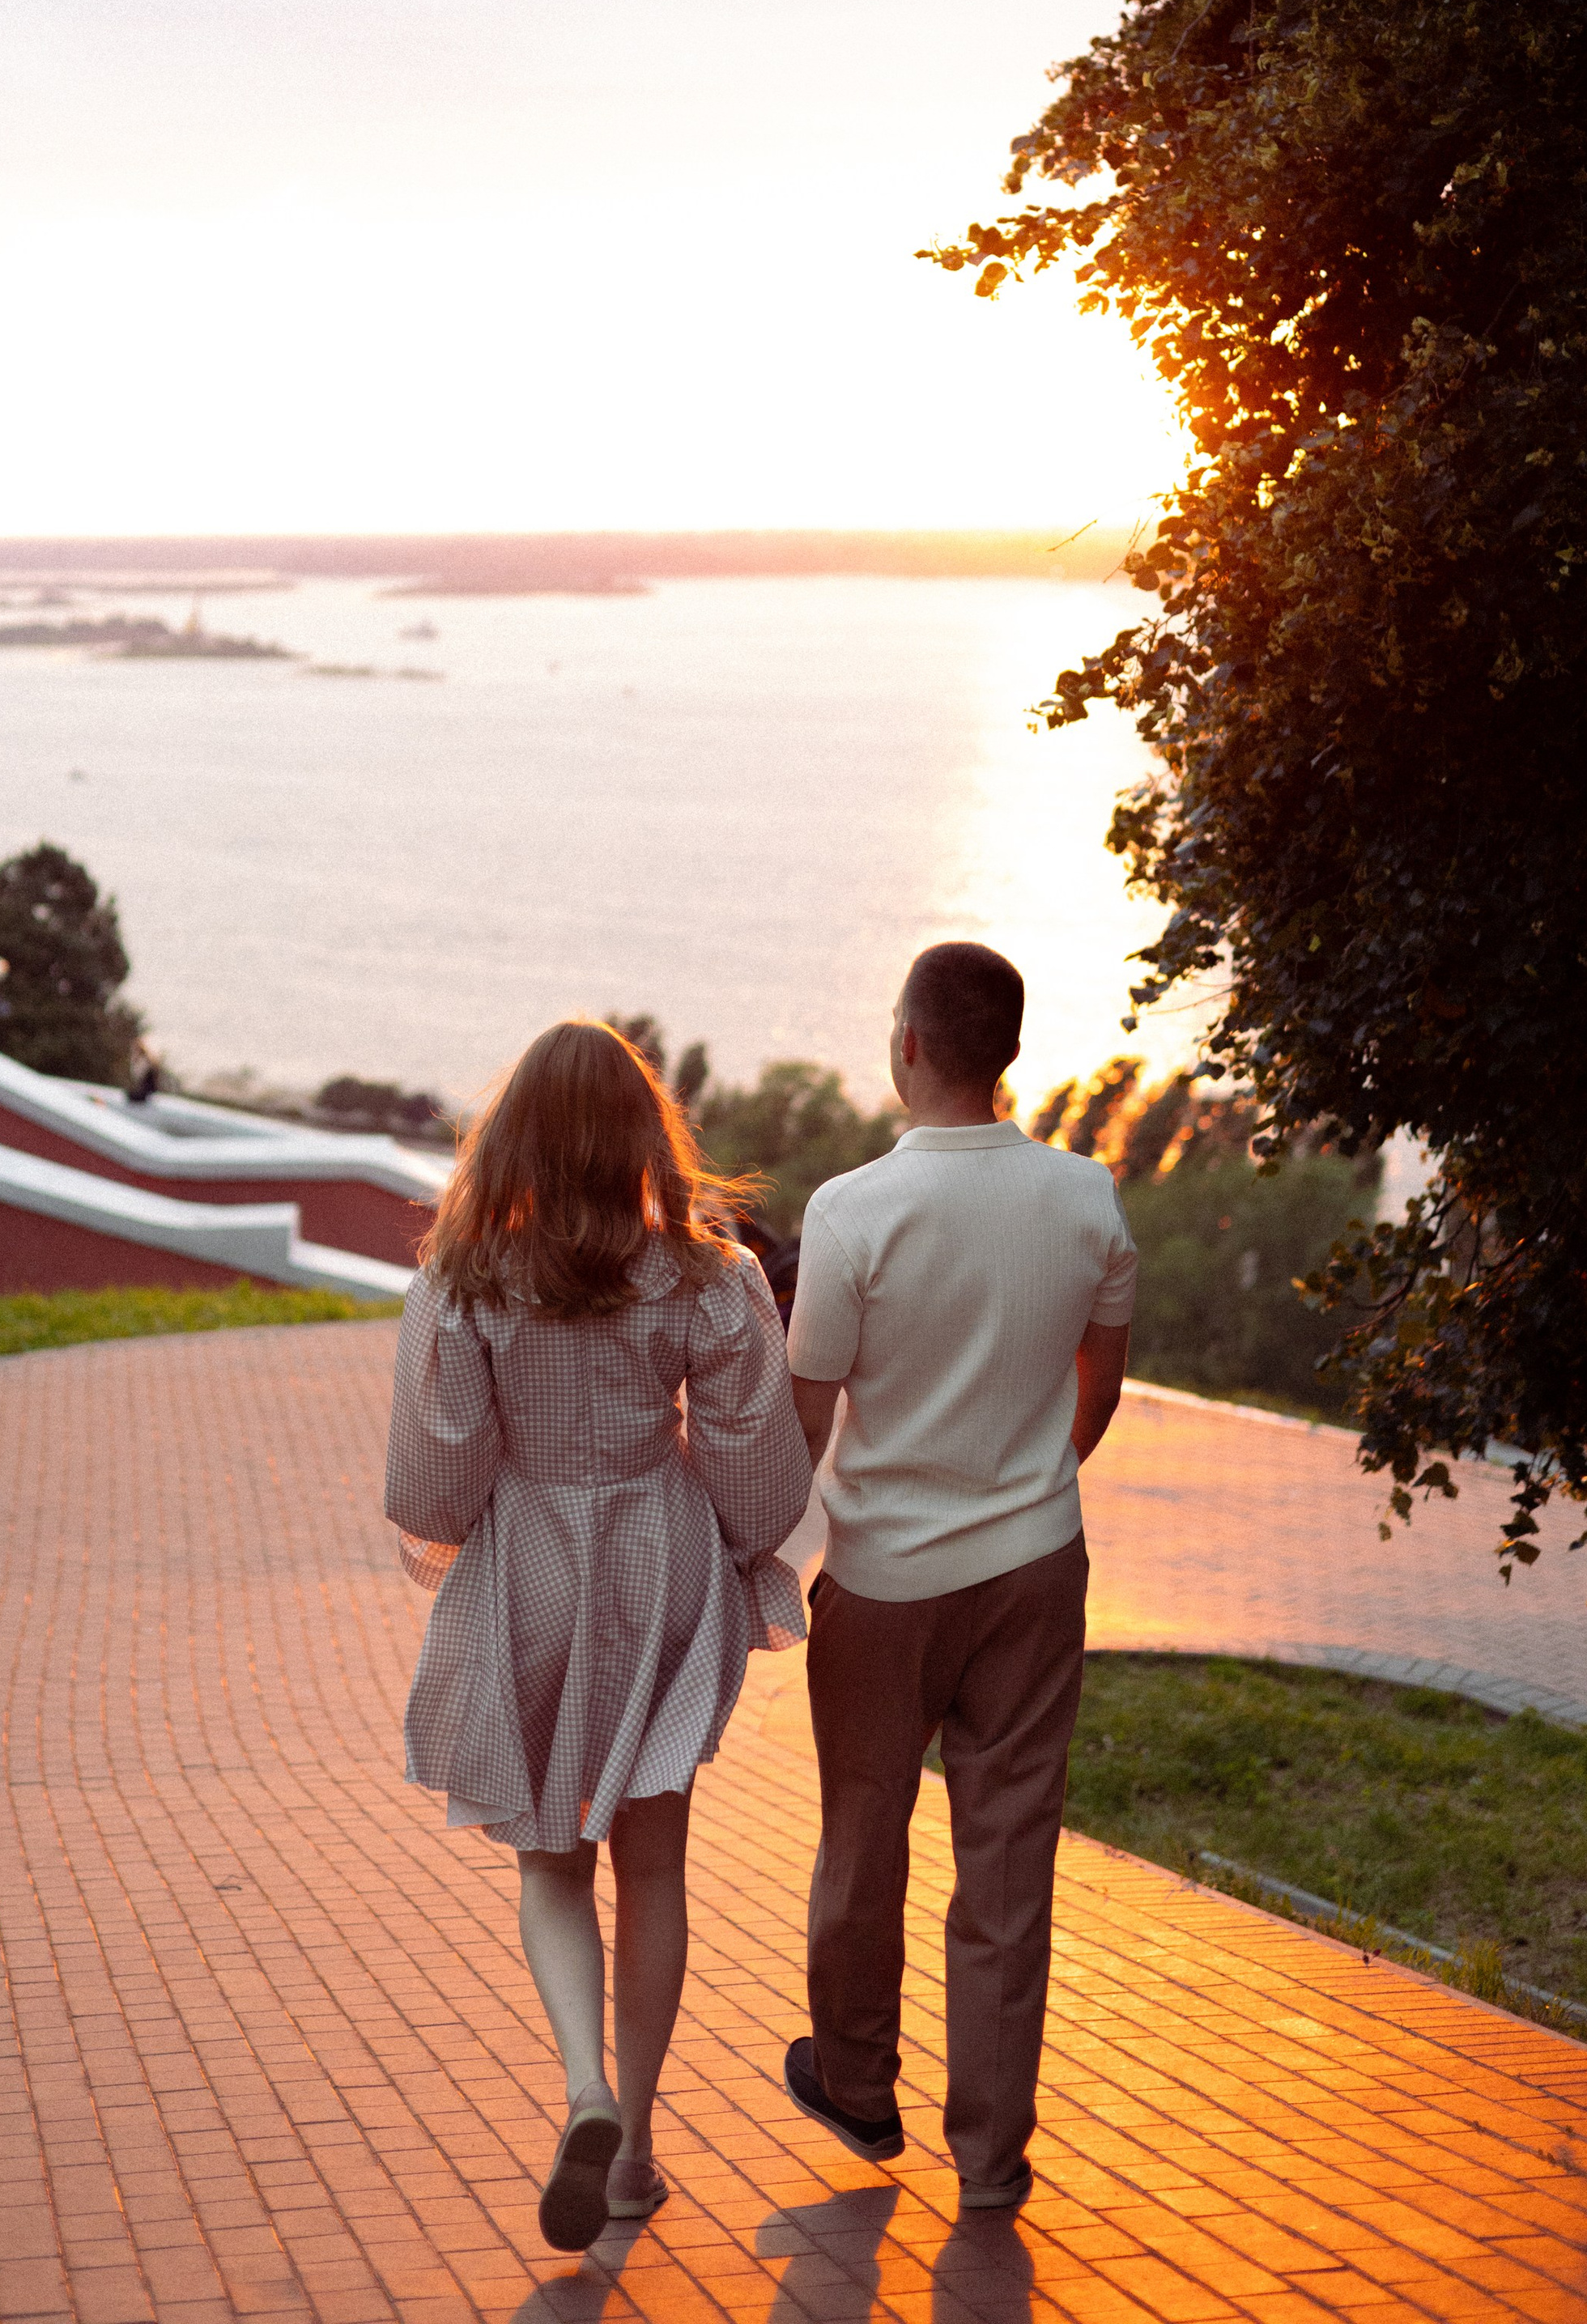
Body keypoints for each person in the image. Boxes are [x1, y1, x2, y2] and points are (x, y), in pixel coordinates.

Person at [384, 1019, 812, 2255]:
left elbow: (436, 1484)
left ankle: (585, 2091)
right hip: (659, 1552)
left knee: (552, 1859)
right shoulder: (707, 1277)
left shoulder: (464, 1280)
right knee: (658, 1863)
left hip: (533, 1563)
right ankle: (635, 2158)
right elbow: (756, 1469)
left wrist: (484, 1512)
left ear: (510, 1132)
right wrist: (739, 1552)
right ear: (644, 1133)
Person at [781, 941, 1136, 2213]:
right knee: (1008, 1856)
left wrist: (758, 1543)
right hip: (1036, 1565)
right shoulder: (1086, 1195)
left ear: (913, 1046)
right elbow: (1102, 1369)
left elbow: (805, 1409)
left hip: (883, 1581)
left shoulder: (851, 1210)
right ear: (1010, 1055)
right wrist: (1041, 1466)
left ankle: (860, 2087)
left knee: (864, 1835)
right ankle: (990, 2156)